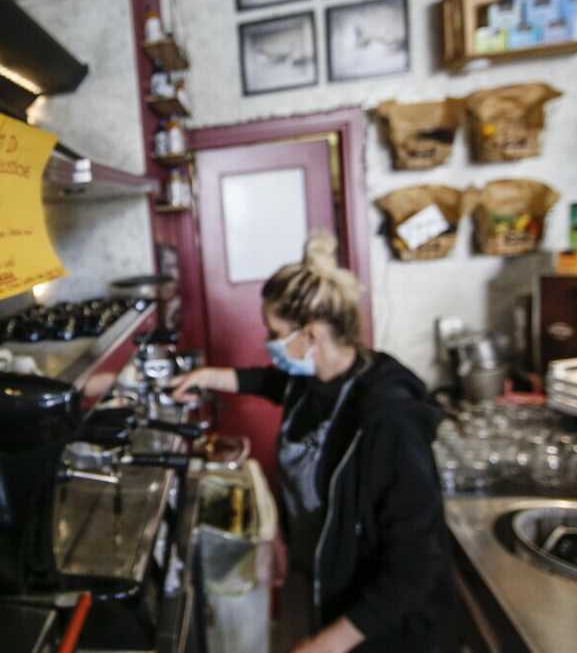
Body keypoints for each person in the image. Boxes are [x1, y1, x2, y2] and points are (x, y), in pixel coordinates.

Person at [172, 232, 453, 653]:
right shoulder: (309, 382)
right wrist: (206, 377)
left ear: (312, 334)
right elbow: (267, 380)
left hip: (387, 626)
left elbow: (415, 567)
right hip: (333, 590)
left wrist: (328, 644)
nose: (270, 346)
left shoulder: (388, 420)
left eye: (275, 333)